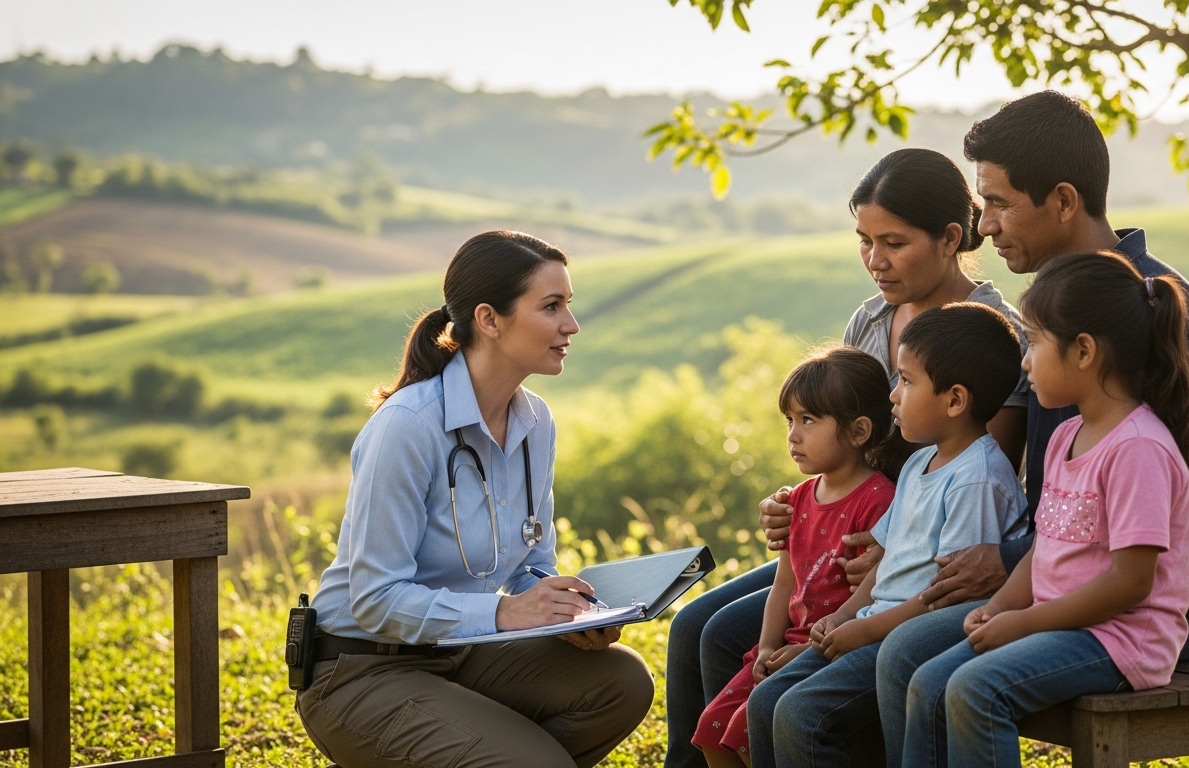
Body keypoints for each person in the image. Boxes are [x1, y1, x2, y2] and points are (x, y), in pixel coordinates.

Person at [875, 92, 1189, 759]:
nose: (984, 226)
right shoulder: (1056, 322)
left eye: (998, 203)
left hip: (1156, 604)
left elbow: (1148, 539)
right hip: (1061, 575)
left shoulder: (1144, 321)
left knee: (930, 660)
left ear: (1062, 200)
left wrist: (1012, 582)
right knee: (906, 651)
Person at [665, 148, 1029, 768]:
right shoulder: (873, 318)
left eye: (894, 243)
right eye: (864, 241)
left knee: (731, 640)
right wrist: (801, 504)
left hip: (903, 551)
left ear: (949, 238)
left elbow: (982, 463)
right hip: (853, 530)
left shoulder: (993, 331)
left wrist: (888, 550)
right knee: (697, 625)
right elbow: (841, 434)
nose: (875, 261)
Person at [295, 231, 654, 768]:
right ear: (489, 319)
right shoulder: (407, 426)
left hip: (459, 654)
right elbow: (374, 599)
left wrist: (569, 613)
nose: (571, 325)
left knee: (622, 682)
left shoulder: (535, 422)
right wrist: (506, 612)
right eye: (551, 306)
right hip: (360, 671)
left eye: (568, 305)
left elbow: (530, 565)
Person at [896, 250, 1189, 766]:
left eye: (1035, 342)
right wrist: (1000, 608)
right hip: (1059, 626)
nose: (1025, 361)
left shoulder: (1138, 448)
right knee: (928, 683)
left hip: (1119, 638)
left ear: (1083, 351)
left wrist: (1025, 623)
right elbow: (1043, 549)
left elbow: (1131, 583)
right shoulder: (1067, 435)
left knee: (976, 689)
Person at [746, 303, 1028, 768]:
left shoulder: (976, 479)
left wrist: (864, 629)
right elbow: (887, 562)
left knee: (801, 714)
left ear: (955, 400)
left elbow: (948, 595)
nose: (893, 395)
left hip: (905, 633)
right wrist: (844, 616)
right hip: (872, 622)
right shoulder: (919, 463)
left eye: (907, 381)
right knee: (764, 702)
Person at [692, 346, 905, 768]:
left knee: (749, 732)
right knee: (712, 730)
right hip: (787, 643)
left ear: (859, 431)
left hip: (838, 642)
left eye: (808, 420)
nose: (793, 434)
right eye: (789, 420)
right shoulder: (799, 499)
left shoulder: (879, 501)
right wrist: (767, 645)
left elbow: (874, 594)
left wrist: (809, 649)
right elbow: (784, 584)